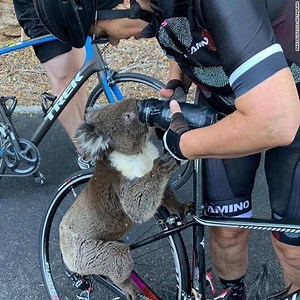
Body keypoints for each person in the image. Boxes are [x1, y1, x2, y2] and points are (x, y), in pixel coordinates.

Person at [33, 0, 300, 298]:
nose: (113, 41)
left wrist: (184, 144)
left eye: (99, 32)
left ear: (121, 3)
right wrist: (178, 80)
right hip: (221, 105)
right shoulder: (153, 8)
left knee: (292, 248)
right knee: (226, 232)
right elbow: (180, 30)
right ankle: (232, 292)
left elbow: (277, 121)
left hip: (290, 108)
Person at [13, 0, 93, 169]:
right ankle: (84, 150)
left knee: (79, 71)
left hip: (63, 4)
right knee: (62, 76)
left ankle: (90, 137)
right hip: (36, 8)